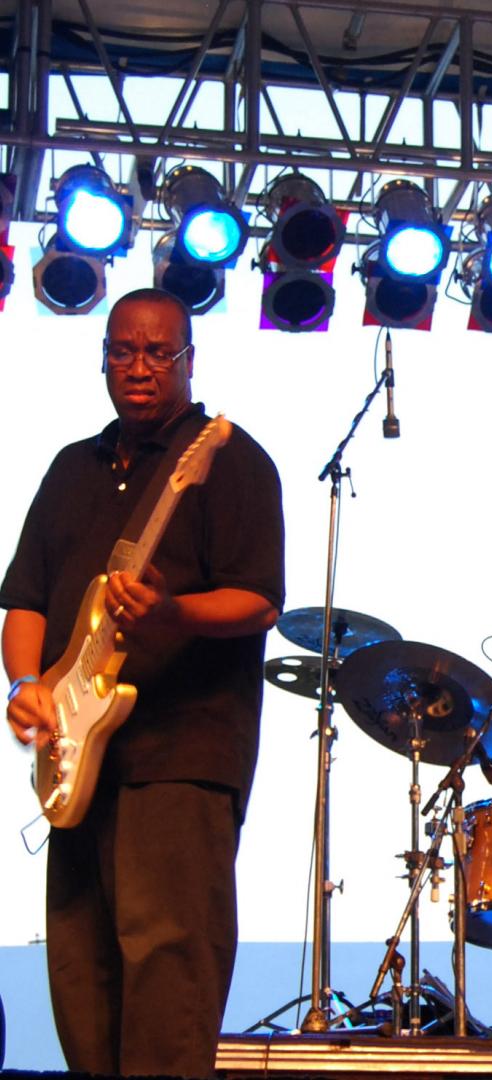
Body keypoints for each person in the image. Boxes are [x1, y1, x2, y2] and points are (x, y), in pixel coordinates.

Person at [2, 288, 285, 1078]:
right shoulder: (70, 469)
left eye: (160, 352)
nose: (140, 367)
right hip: (74, 762)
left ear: (190, 361)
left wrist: (171, 612)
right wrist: (28, 683)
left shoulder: (226, 459)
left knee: (167, 985)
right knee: (80, 986)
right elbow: (24, 599)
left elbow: (260, 598)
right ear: (102, 359)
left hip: (180, 758)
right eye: (123, 350)